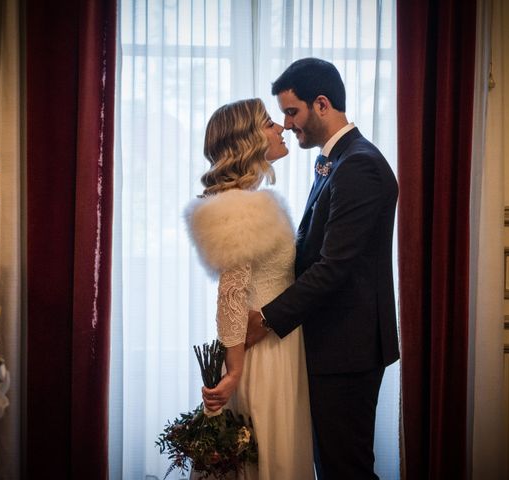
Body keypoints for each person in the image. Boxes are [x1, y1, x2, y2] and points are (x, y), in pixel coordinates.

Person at [244, 58, 399, 479]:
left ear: (322, 104)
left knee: (344, 468)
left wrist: (268, 318)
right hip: (331, 343)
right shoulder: (336, 161)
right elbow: (309, 251)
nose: (288, 124)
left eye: (292, 112)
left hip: (347, 347)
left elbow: (334, 267)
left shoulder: (360, 165)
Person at [185, 98, 315, 479]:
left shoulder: (253, 202)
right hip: (264, 353)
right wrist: (235, 372)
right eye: (270, 123)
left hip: (279, 342)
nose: (281, 128)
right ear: (247, 140)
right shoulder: (241, 208)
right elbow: (231, 294)